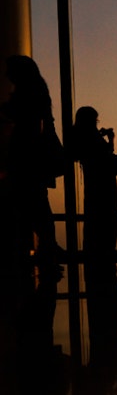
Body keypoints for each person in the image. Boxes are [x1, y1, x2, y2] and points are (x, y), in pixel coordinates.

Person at [0, 55, 63, 277]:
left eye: (10, 70)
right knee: (35, 202)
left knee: (28, 202)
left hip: (28, 158)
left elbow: (22, 118)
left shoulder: (28, 96)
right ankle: (49, 247)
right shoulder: (38, 93)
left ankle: (47, 247)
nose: (7, 75)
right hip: (35, 159)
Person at [70, 106, 117, 259]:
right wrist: (109, 139)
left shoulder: (82, 136)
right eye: (95, 120)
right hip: (103, 186)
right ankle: (104, 259)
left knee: (96, 223)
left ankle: (97, 259)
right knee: (105, 223)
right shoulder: (91, 137)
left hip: (94, 185)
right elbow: (105, 157)